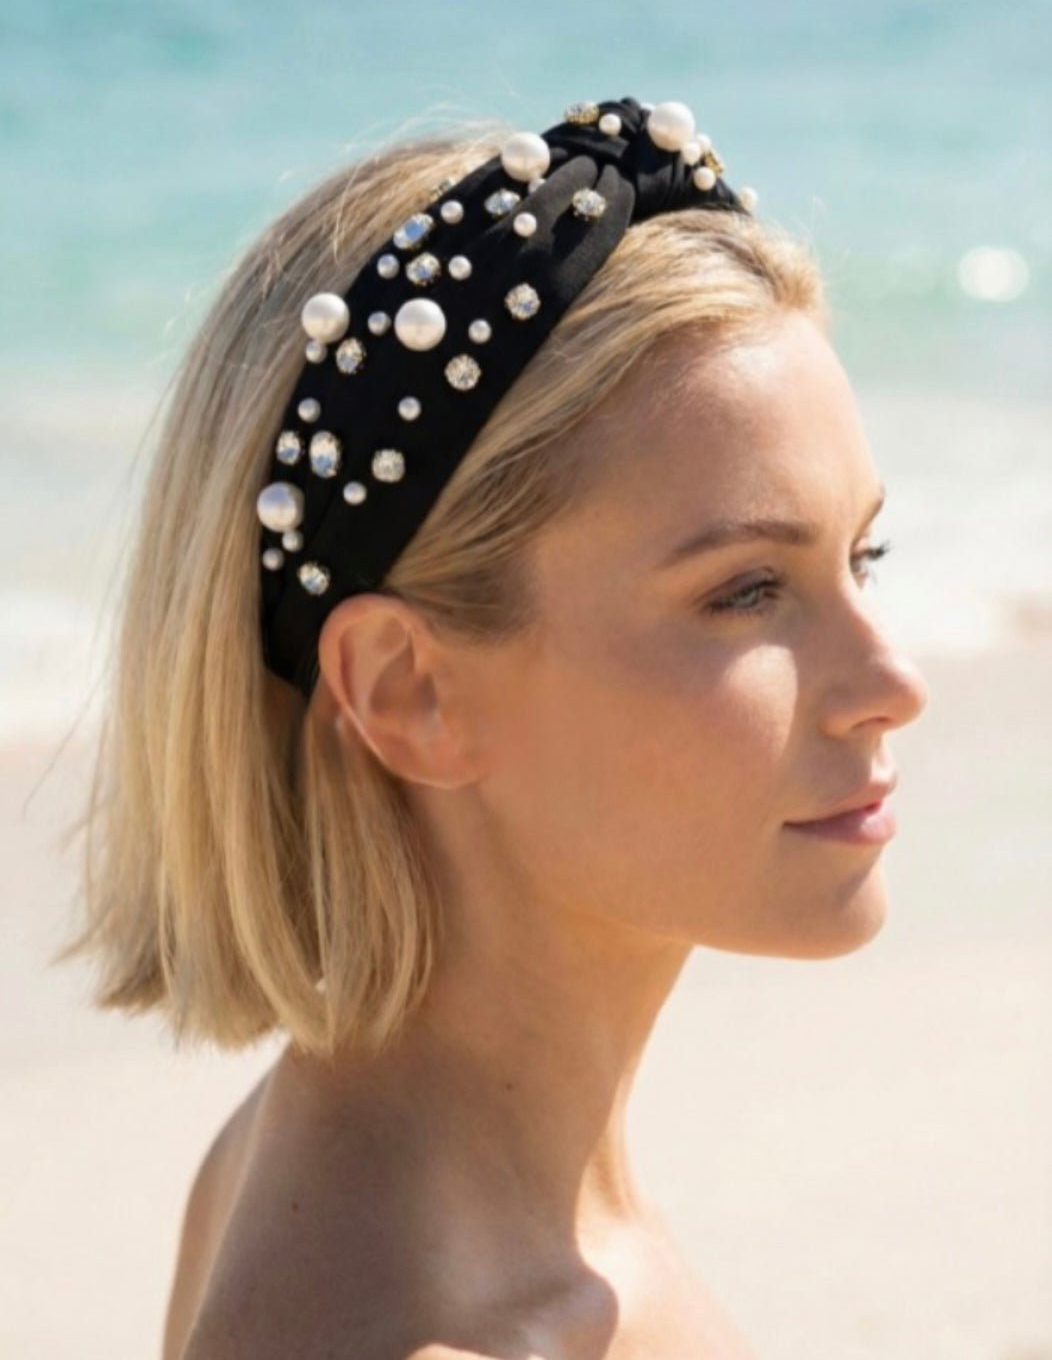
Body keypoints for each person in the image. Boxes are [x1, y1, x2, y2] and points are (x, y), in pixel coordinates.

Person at [56, 96, 929, 1359]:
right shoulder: (458, 1325)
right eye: (745, 590)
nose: (889, 676)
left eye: (865, 552)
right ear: (407, 688)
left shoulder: (304, 1153)